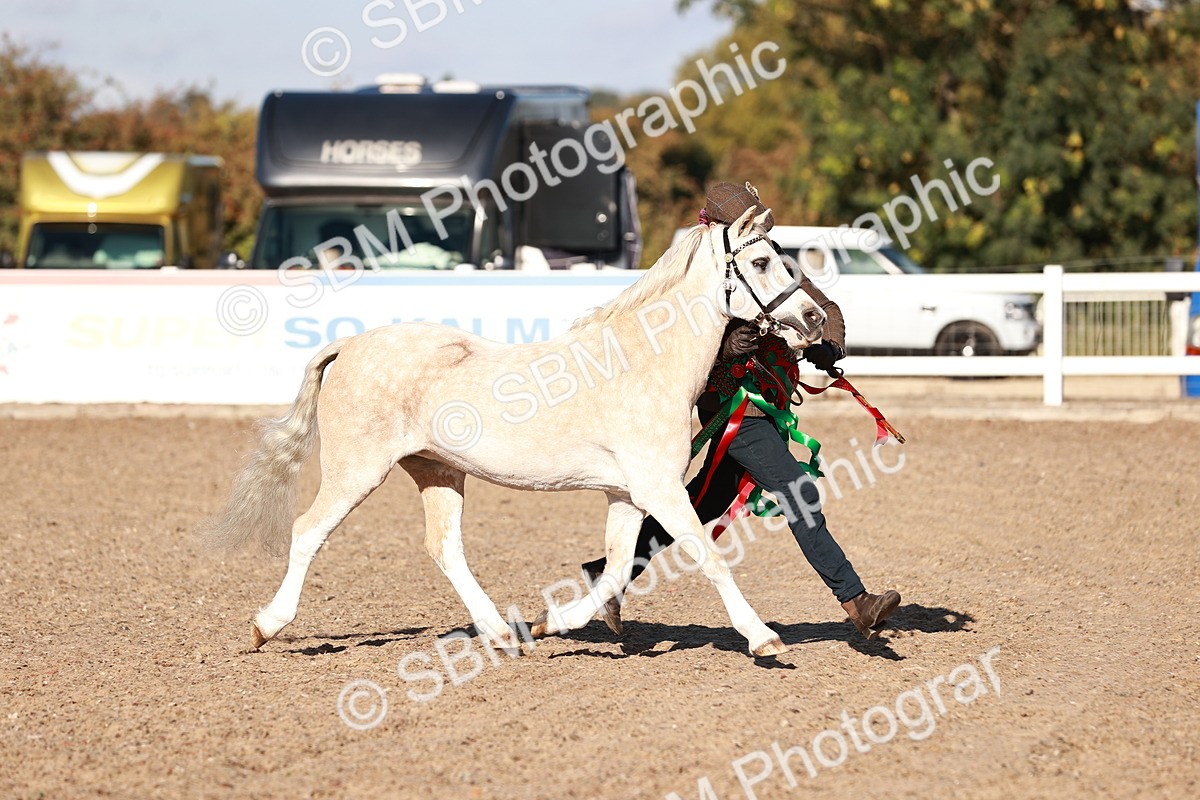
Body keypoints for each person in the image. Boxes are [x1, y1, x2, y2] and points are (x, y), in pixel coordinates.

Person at [582, 181, 901, 641]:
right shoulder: (699, 275)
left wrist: (830, 342)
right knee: (797, 493)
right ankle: (857, 602)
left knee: (702, 501)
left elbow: (822, 305)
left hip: (767, 405)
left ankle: (607, 573)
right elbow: (680, 346)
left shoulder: (767, 261)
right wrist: (727, 348)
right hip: (734, 409)